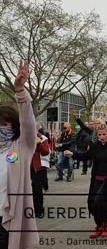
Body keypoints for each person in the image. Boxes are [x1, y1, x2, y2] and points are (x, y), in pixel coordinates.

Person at [0, 60, 39, 248]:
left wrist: (20, 91)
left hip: (7, 218)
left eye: (4, 124)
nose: (1, 128)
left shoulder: (21, 147)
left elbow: (28, 123)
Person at [30, 128, 50, 218]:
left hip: (38, 168)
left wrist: (39, 143)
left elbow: (46, 152)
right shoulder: (21, 138)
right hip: (26, 167)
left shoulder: (43, 138)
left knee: (37, 189)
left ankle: (38, 210)